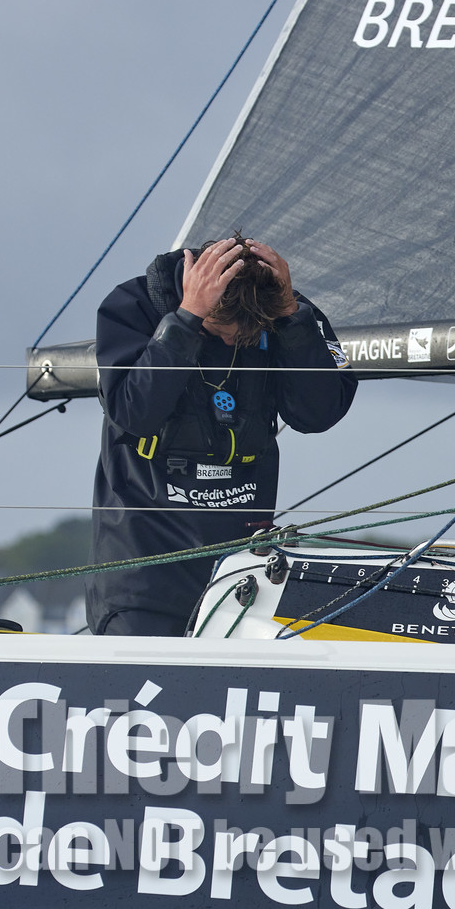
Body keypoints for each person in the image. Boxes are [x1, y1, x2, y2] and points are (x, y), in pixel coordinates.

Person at [87, 235, 357, 635]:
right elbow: (133, 413)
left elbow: (319, 414)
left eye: (248, 334)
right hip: (144, 566)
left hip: (241, 570)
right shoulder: (133, 305)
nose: (233, 340)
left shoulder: (285, 308)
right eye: (221, 330)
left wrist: (291, 319)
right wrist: (187, 321)